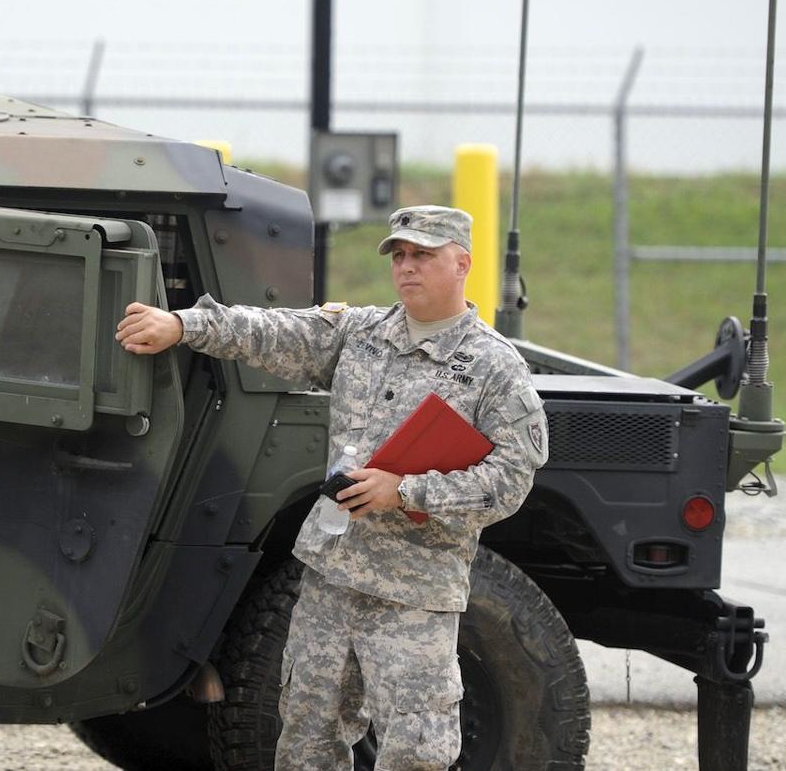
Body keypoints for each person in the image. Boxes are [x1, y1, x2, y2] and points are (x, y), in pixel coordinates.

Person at [115, 205, 548, 771]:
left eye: (423, 255)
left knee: (416, 751)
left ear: (462, 262)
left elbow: (512, 481)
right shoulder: (360, 334)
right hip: (330, 581)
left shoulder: (494, 369)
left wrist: (406, 491)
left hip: (413, 592)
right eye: (399, 255)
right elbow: (273, 332)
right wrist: (185, 326)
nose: (407, 267)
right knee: (306, 740)